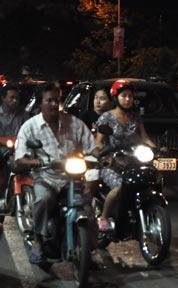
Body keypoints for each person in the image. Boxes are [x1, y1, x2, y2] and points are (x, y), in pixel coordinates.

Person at [15, 82, 97, 265]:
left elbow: (91, 146)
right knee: (43, 200)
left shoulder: (73, 122)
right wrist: (33, 161)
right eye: (49, 100)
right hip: (46, 178)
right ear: (40, 103)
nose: (54, 104)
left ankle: (89, 250)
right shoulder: (29, 127)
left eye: (56, 100)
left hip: (72, 177)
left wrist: (102, 155)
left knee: (88, 208)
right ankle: (37, 240)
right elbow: (20, 158)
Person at [96, 80, 157, 231]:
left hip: (134, 159)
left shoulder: (136, 116)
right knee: (119, 187)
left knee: (151, 180)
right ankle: (103, 217)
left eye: (130, 96)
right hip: (113, 162)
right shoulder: (106, 117)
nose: (128, 99)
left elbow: (144, 137)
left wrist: (155, 148)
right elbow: (98, 142)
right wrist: (106, 155)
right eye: (124, 96)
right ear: (116, 97)